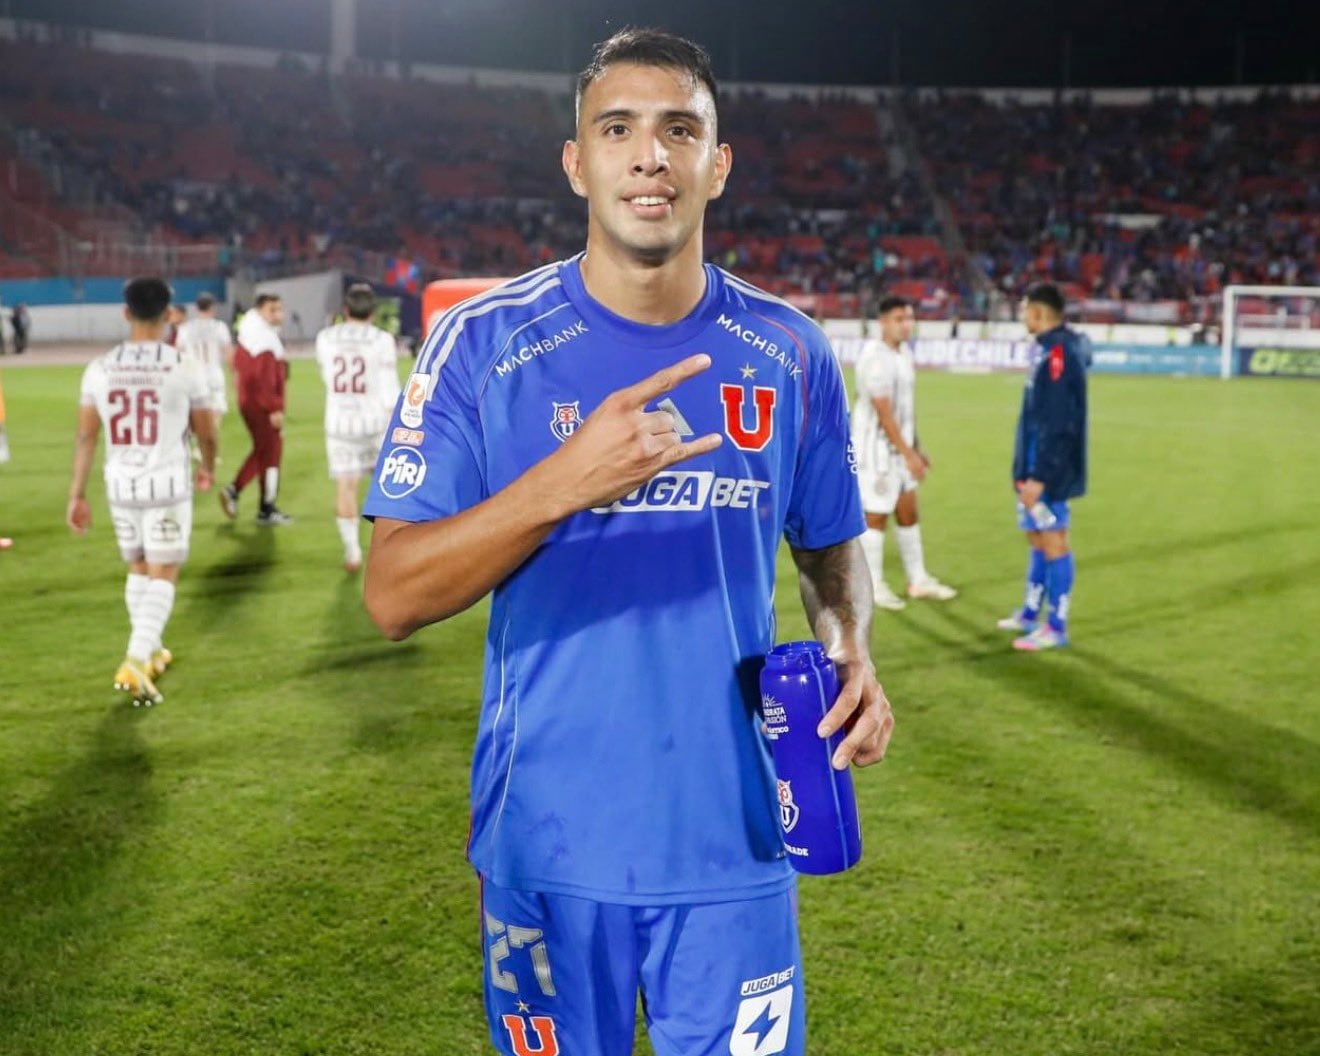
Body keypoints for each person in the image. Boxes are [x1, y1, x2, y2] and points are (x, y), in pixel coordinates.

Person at [362, 29, 894, 1056]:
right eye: (619, 129)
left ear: (717, 165)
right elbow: (392, 595)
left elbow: (828, 543)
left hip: (739, 839)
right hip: (549, 846)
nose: (650, 155)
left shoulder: (788, 349)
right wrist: (561, 486)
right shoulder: (482, 342)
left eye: (679, 130)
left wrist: (851, 645)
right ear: (577, 161)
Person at [66, 276, 217, 705]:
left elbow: (85, 437)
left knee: (137, 567)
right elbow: (206, 430)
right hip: (167, 484)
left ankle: (151, 650)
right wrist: (207, 466)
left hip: (120, 484)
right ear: (169, 315)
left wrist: (77, 494)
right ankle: (134, 659)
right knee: (164, 572)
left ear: (126, 313)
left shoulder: (100, 367)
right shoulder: (183, 364)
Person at [850, 295, 957, 610]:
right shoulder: (875, 357)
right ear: (883, 321)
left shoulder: (903, 354)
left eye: (909, 318)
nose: (906, 324)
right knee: (876, 515)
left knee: (908, 510)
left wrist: (916, 448)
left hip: (899, 448)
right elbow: (884, 412)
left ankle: (918, 579)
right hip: (876, 451)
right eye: (899, 319)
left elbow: (904, 411)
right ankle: (873, 585)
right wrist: (907, 453)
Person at [998, 281, 1088, 650]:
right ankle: (1031, 612)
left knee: (1054, 542)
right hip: (1032, 468)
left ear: (1038, 313)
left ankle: (1057, 626)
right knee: (1036, 537)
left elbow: (1058, 421)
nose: (1022, 317)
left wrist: (1040, 475)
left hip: (1048, 473)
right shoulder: (1045, 350)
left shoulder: (1059, 354)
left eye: (1024, 310)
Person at [314, 283, 400, 572]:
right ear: (373, 313)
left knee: (346, 487)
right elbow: (389, 388)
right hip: (375, 422)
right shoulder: (381, 340)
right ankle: (389, 551)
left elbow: (327, 376)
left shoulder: (325, 338)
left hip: (340, 422)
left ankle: (352, 552)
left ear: (345, 310)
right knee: (388, 489)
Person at [219, 292, 291, 525]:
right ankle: (258, 504)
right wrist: (274, 408)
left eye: (279, 309)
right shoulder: (264, 340)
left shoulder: (250, 331)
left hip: (248, 400)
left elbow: (237, 364)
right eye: (273, 310)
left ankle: (260, 504)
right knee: (269, 452)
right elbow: (264, 378)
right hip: (260, 404)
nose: (278, 314)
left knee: (264, 449)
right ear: (260, 310)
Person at [175, 291, 233, 440]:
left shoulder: (186, 328)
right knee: (216, 409)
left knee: (194, 410)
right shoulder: (219, 327)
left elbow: (178, 351)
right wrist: (233, 371)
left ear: (197, 307)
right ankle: (208, 443)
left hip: (193, 374)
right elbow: (228, 352)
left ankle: (196, 442)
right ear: (212, 307)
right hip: (213, 372)